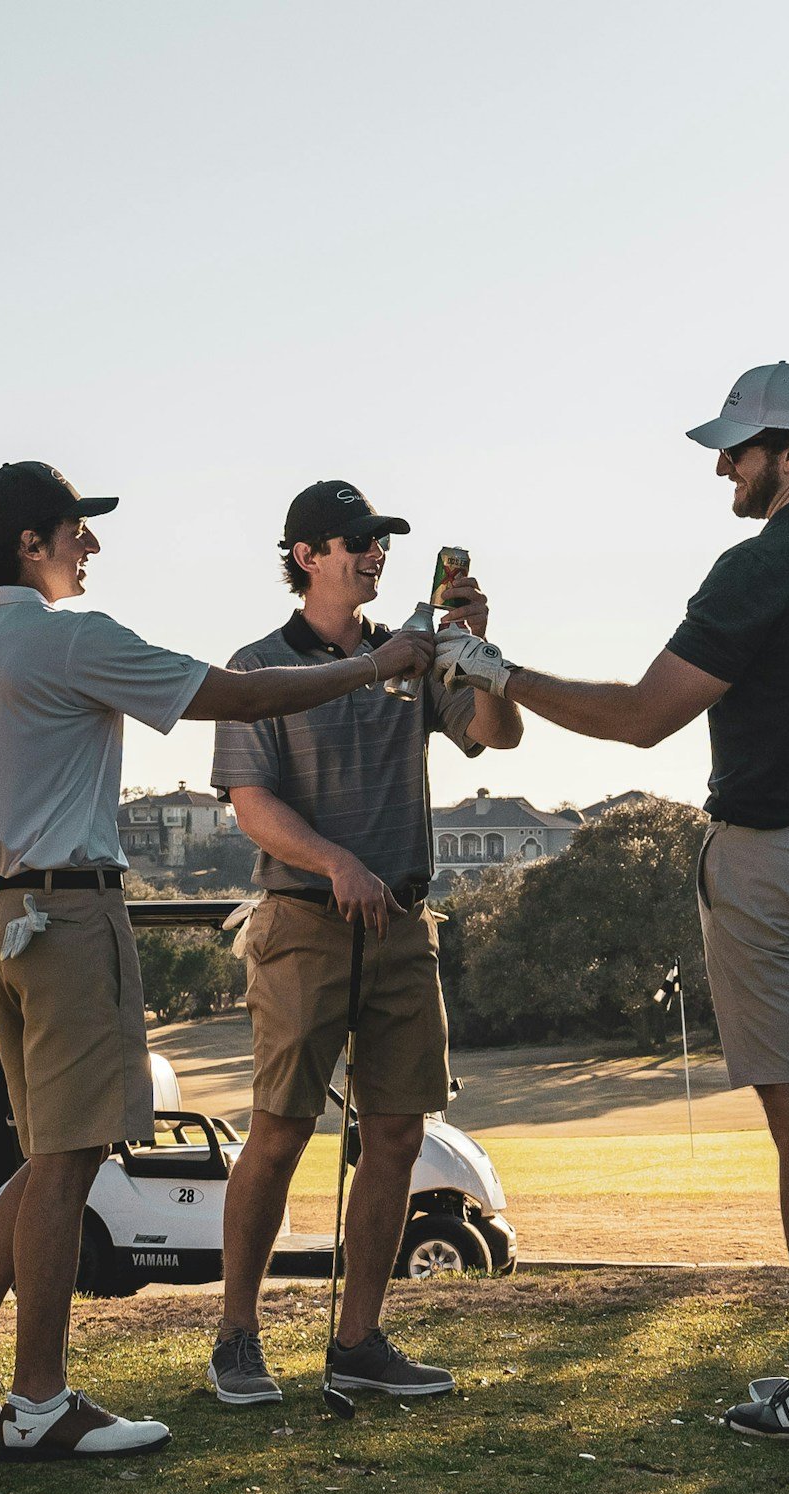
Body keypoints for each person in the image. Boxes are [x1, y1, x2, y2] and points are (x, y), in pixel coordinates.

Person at [437, 364, 789, 1445]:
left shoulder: (763, 564)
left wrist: (496, 669)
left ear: (788, 451)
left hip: (771, 863)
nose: (722, 468)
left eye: (735, 451)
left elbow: (645, 715)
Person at [0, 460, 435, 1463]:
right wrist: (374, 665)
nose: (89, 546)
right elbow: (232, 693)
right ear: (29, 541)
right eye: (74, 530)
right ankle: (42, 1396)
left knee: (46, 1150)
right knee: (72, 1156)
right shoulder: (67, 636)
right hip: (68, 916)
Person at [203, 481, 519, 1406]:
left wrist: (481, 656)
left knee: (395, 1133)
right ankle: (236, 1337)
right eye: (358, 541)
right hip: (303, 923)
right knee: (281, 1130)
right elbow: (251, 806)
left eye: (382, 541)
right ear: (306, 555)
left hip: (403, 927)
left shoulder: (413, 656)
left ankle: (361, 1341)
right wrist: (336, 860)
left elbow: (495, 738)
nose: (376, 553)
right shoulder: (256, 665)